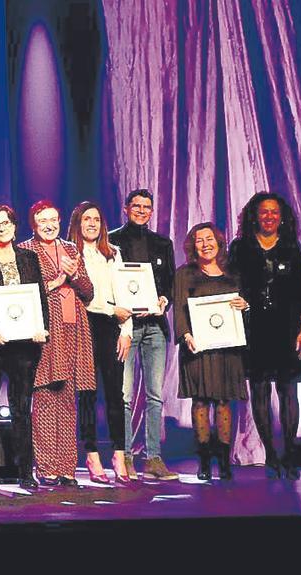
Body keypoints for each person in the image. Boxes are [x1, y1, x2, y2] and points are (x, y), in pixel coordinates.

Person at [228, 191, 301, 479]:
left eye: (274, 212)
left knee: (289, 390)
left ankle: (290, 453)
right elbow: (232, 286)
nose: (269, 216)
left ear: (282, 216)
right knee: (260, 389)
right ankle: (271, 455)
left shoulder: (291, 247)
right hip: (254, 327)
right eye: (263, 212)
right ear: (254, 215)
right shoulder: (240, 248)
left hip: (287, 327)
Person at [0, 205, 48, 490]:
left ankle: (26, 472)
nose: (2, 228)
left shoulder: (29, 258)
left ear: (15, 227)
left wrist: (42, 327)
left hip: (25, 345)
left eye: (6, 223)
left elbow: (39, 295)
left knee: (21, 408)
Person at [19, 200, 95, 486]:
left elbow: (88, 292)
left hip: (74, 329)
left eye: (54, 219)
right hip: (45, 330)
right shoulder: (26, 250)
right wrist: (55, 281)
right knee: (45, 399)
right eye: (43, 221)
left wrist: (73, 275)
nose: (50, 225)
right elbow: (24, 292)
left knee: (67, 400)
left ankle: (67, 467)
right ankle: (47, 467)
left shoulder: (72, 249)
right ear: (34, 224)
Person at [109, 188, 178, 480]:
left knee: (154, 395)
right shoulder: (111, 240)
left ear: (151, 211)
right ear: (126, 208)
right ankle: (124, 457)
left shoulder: (163, 243)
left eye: (146, 207)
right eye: (135, 206)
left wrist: (163, 300)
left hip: (154, 328)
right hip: (125, 327)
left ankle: (153, 458)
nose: (141, 210)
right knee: (123, 395)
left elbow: (170, 284)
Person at [174, 223, 250, 481]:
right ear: (192, 246)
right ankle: (204, 461)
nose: (205, 244)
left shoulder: (233, 274)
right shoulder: (185, 273)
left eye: (209, 239)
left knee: (223, 402)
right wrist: (186, 336)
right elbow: (180, 309)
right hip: (197, 347)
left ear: (219, 242)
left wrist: (245, 305)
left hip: (228, 349)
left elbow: (242, 308)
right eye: (199, 240)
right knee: (200, 401)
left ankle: (225, 463)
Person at [69, 201, 132, 483]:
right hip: (84, 325)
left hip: (111, 327)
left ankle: (119, 454)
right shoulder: (71, 253)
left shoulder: (114, 253)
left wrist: (127, 331)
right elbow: (82, 297)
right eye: (86, 219)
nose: (92, 223)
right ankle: (92, 454)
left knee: (115, 393)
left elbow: (123, 296)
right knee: (87, 394)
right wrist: (110, 310)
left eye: (96, 219)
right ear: (77, 224)